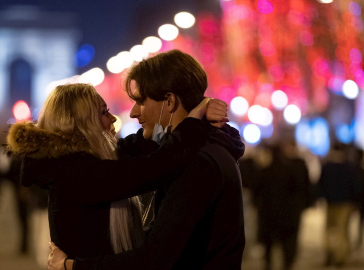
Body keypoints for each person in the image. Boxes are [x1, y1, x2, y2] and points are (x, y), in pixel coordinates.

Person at [45, 49, 245, 269]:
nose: (132, 113)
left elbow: (155, 260)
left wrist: (71, 266)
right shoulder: (200, 150)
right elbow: (151, 157)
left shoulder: (195, 162)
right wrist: (200, 112)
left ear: (169, 101)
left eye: (140, 101)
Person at [253, 141, 312, 270]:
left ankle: (268, 263)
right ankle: (287, 263)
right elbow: (302, 189)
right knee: (289, 243)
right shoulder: (292, 170)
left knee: (269, 243)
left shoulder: (265, 172)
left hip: (269, 214)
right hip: (289, 215)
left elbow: (256, 192)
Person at [318, 143, 362, 267]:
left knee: (329, 230)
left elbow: (321, 185)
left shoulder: (327, 166)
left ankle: (329, 253)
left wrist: (321, 198)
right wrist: (355, 202)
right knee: (342, 230)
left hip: (331, 202)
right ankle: (340, 256)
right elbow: (355, 186)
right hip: (344, 203)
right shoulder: (349, 167)